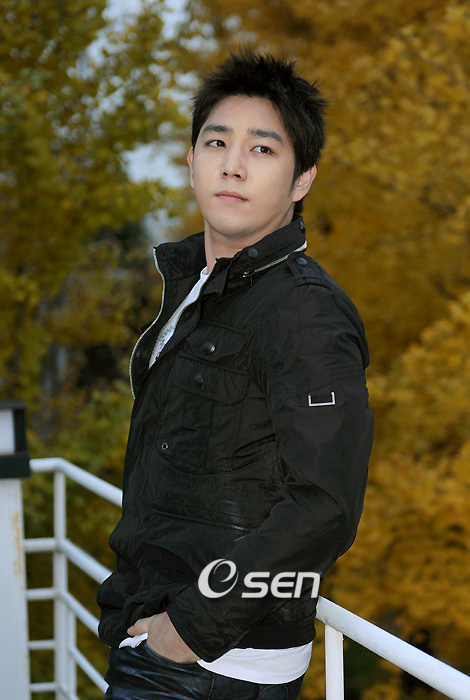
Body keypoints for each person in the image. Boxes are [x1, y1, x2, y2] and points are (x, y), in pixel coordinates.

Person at [97, 49, 374, 700]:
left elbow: (324, 505)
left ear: (302, 180)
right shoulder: (199, 287)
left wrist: (187, 631)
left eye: (263, 149)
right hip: (157, 635)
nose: (233, 164)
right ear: (191, 160)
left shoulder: (304, 311)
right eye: (217, 142)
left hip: (217, 665)